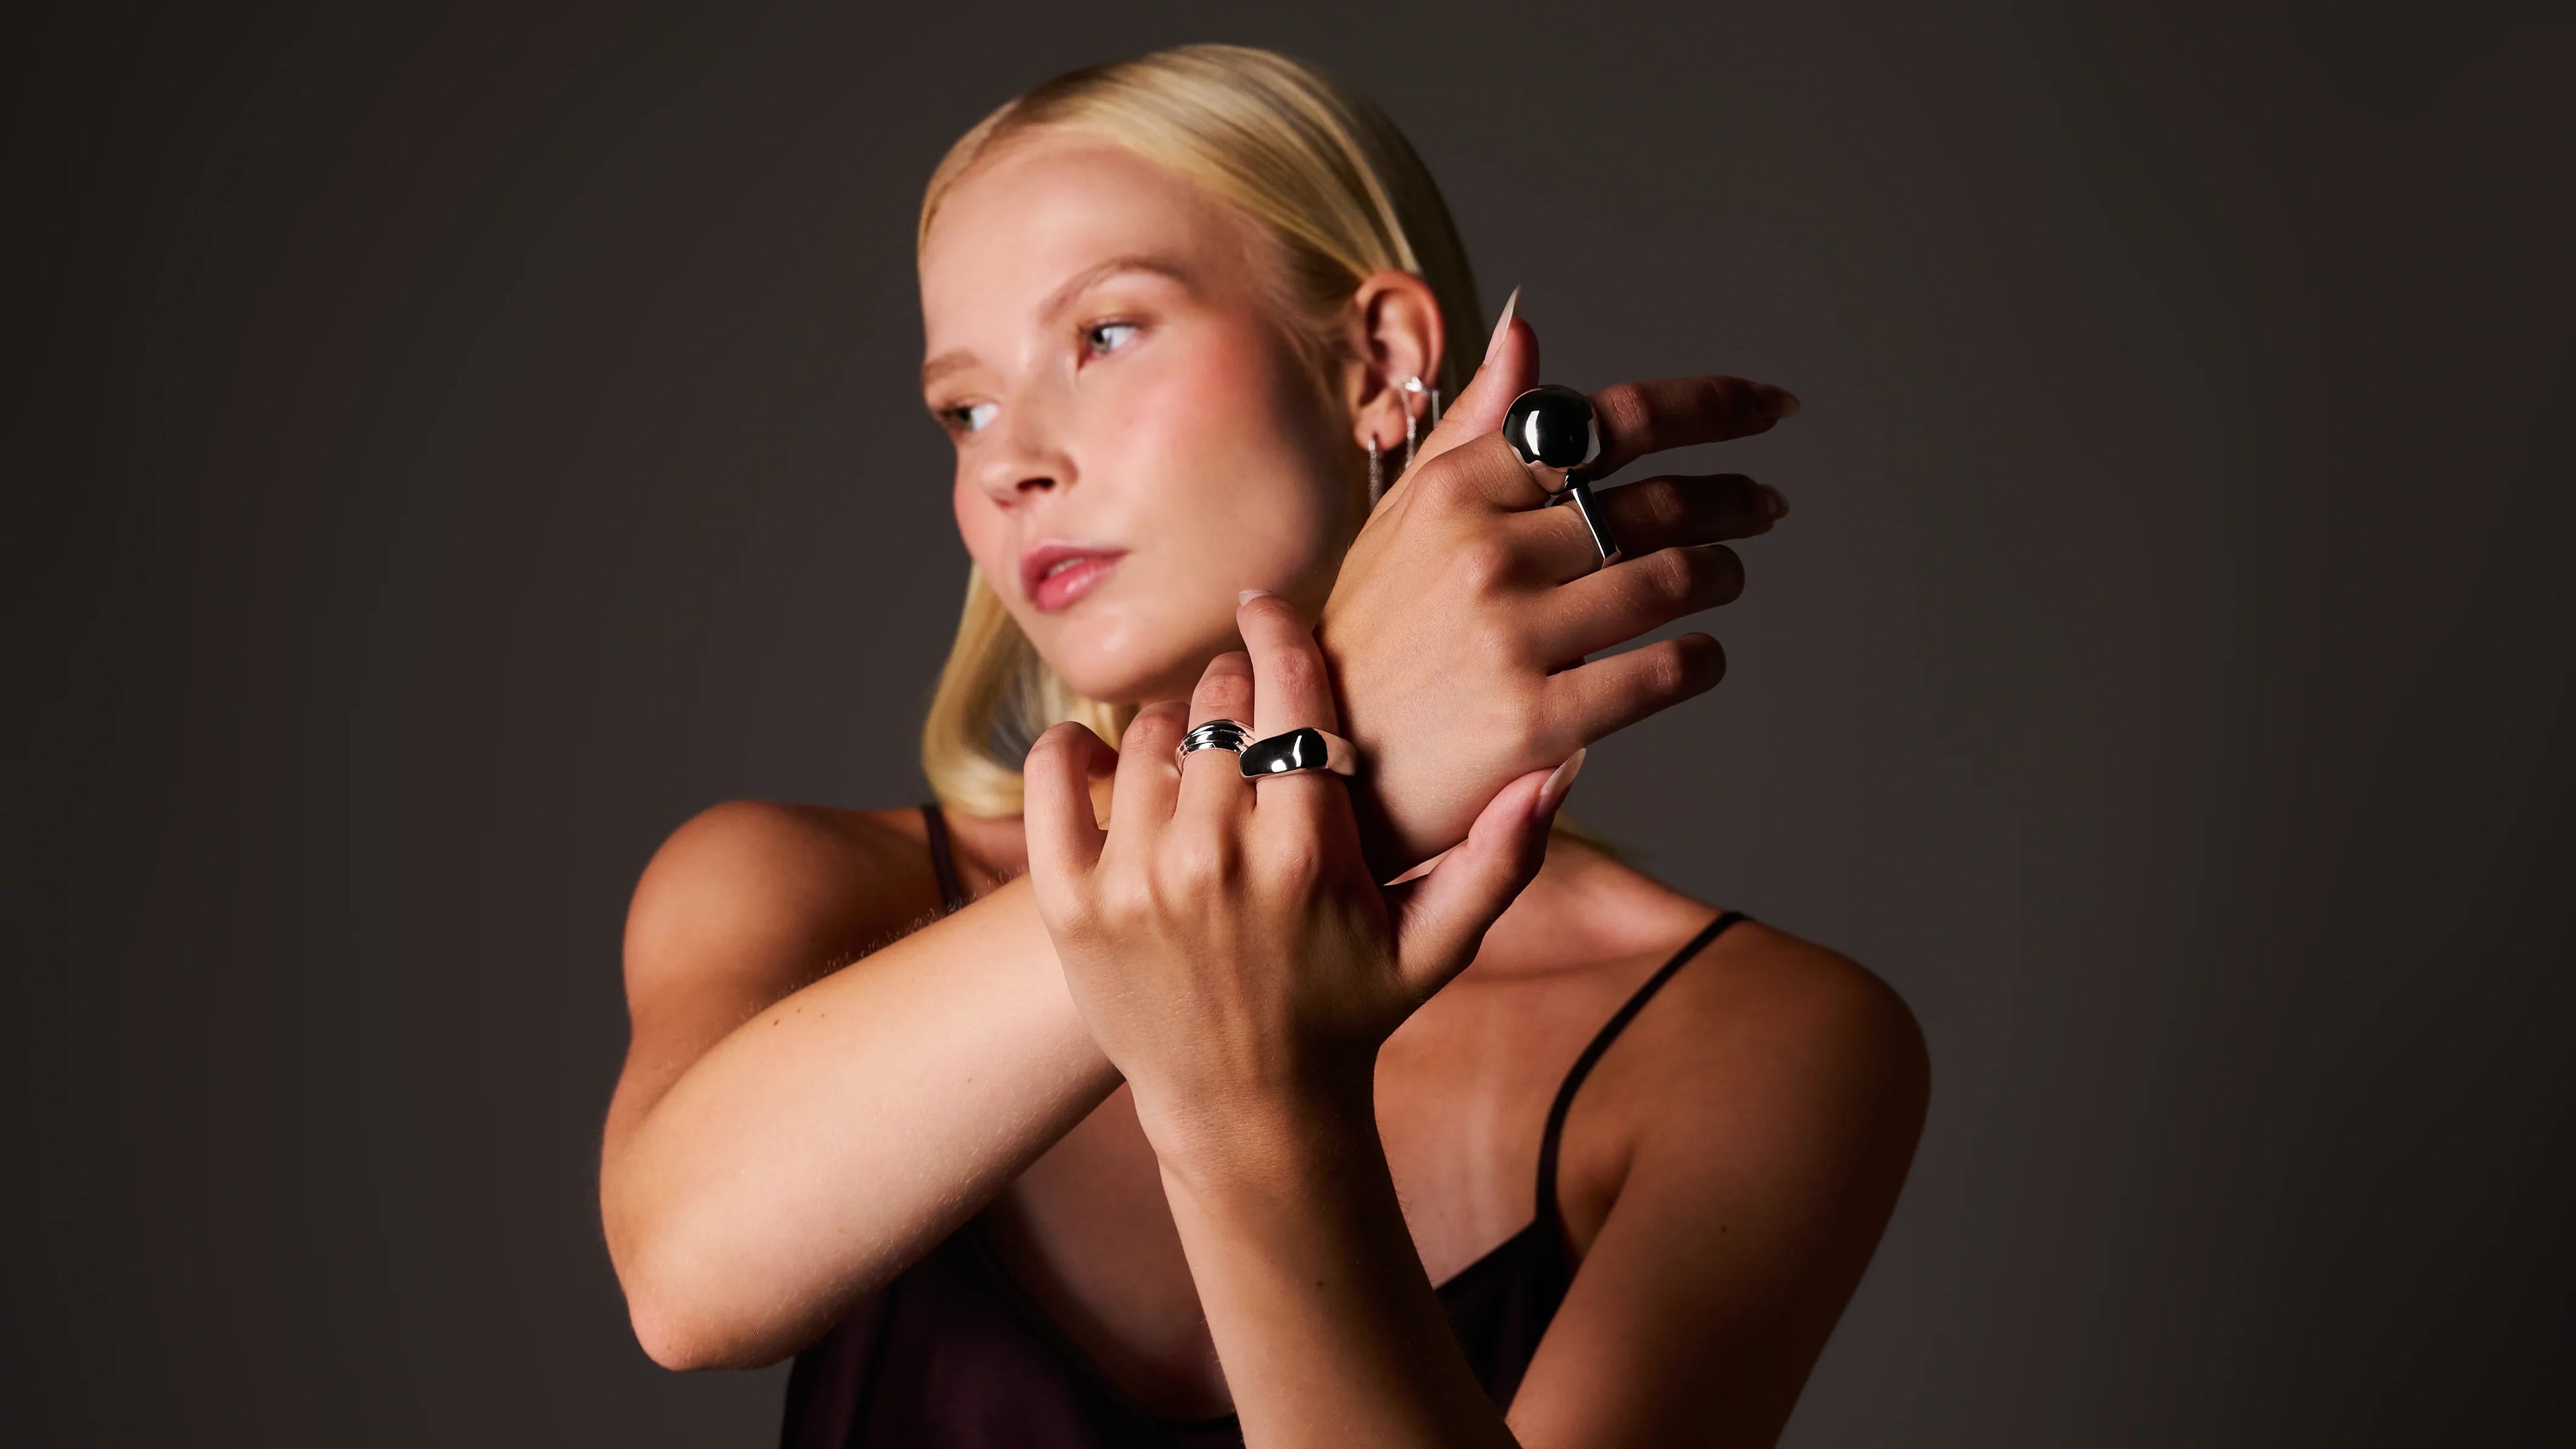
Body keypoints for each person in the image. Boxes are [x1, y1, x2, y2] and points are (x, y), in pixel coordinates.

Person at [598, 44, 1928, 1449]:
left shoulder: (1751, 1039)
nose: (1008, 463)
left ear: (1380, 357)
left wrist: (1248, 1091)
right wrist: (1325, 757)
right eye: (963, 409)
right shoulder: (799, 884)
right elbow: (691, 1282)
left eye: (1104, 335)